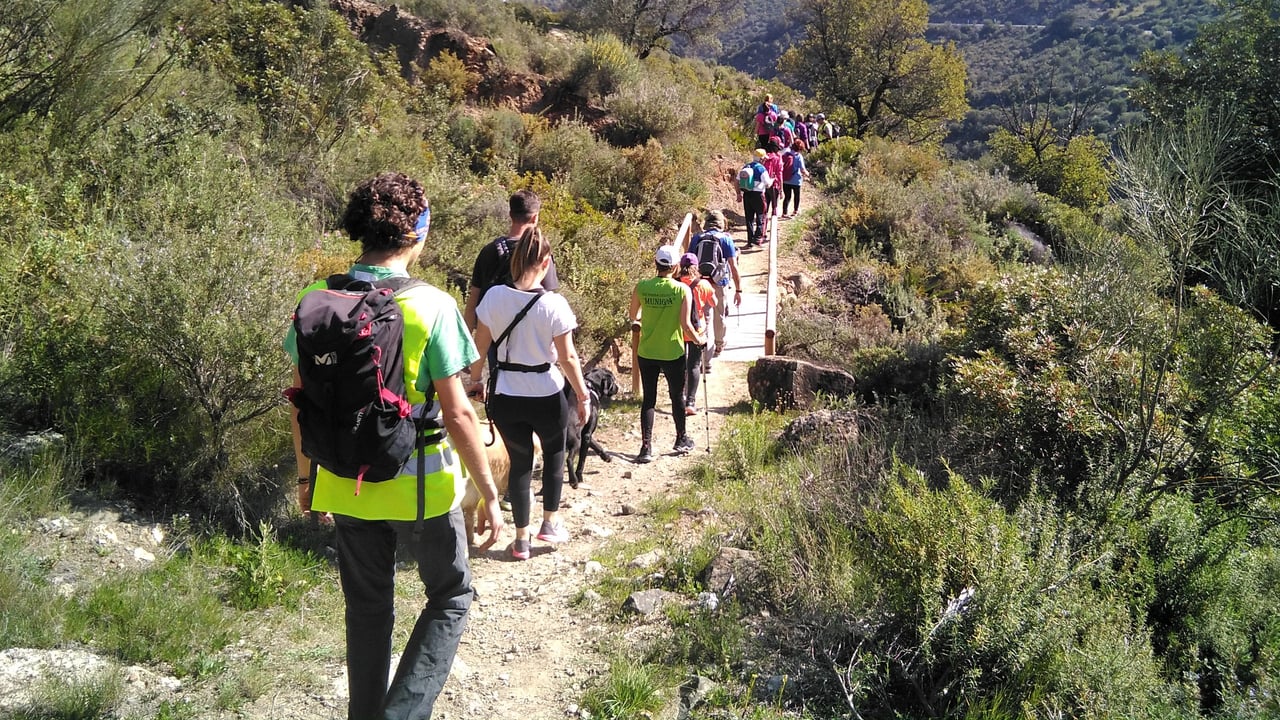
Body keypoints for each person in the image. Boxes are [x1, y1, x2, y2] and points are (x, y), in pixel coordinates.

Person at [286, 172, 504, 720]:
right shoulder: (432, 306)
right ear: (419, 231)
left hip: (343, 481)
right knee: (451, 595)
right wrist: (489, 492)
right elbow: (457, 412)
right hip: (420, 489)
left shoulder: (316, 301)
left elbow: (300, 403)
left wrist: (307, 479)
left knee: (366, 607)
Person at [470, 227, 590, 561]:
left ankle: (520, 540)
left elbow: (480, 346)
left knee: (520, 464)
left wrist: (476, 380)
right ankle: (549, 524)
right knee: (554, 454)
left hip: (506, 394)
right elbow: (567, 357)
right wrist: (582, 395)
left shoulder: (493, 297)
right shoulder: (555, 304)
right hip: (546, 393)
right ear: (546, 263)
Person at [629, 244, 704, 463]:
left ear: (656, 263)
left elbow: (634, 314)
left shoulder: (642, 286)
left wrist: (650, 315)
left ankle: (646, 448)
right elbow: (686, 324)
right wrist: (700, 340)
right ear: (675, 266)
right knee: (676, 396)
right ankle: (681, 439)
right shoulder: (682, 290)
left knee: (649, 399)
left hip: (647, 350)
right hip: (672, 351)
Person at [464, 189, 559, 333]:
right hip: (527, 338)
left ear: (510, 215)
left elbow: (473, 300)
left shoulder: (489, 250)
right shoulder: (539, 253)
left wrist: (465, 344)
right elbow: (549, 300)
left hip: (491, 336)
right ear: (535, 218)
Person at [684, 209, 742, 360]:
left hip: (700, 282)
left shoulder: (697, 237)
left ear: (707, 223)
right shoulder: (725, 239)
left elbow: (689, 259)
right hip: (719, 282)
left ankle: (703, 346)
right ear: (721, 224)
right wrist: (738, 289)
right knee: (720, 314)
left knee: (703, 314)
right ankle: (718, 344)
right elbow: (733, 265)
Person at [676, 253, 716, 415]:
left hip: (677, 329)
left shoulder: (674, 283)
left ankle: (678, 398)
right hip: (696, 331)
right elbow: (714, 303)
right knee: (693, 365)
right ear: (696, 266)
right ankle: (690, 402)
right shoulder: (703, 284)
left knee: (678, 364)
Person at [737, 148, 771, 247]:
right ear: (761, 159)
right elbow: (768, 184)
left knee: (749, 219)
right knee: (761, 216)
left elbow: (737, 180)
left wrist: (738, 193)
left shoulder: (746, 166)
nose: (764, 160)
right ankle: (757, 239)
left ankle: (749, 242)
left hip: (747, 195)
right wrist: (772, 180)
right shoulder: (761, 169)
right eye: (764, 158)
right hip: (759, 195)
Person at [781, 139, 813, 219]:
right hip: (796, 180)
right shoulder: (798, 156)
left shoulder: (785, 154)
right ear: (800, 148)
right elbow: (802, 169)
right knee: (796, 196)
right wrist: (808, 174)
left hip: (786, 179)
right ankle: (795, 211)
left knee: (787, 196)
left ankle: (784, 212)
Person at [762, 139, 784, 221]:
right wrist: (781, 190)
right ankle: (773, 228)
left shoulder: (764, 157)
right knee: (774, 206)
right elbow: (780, 175)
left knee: (765, 206)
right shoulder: (777, 159)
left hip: (764, 185)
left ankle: (762, 228)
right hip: (774, 185)